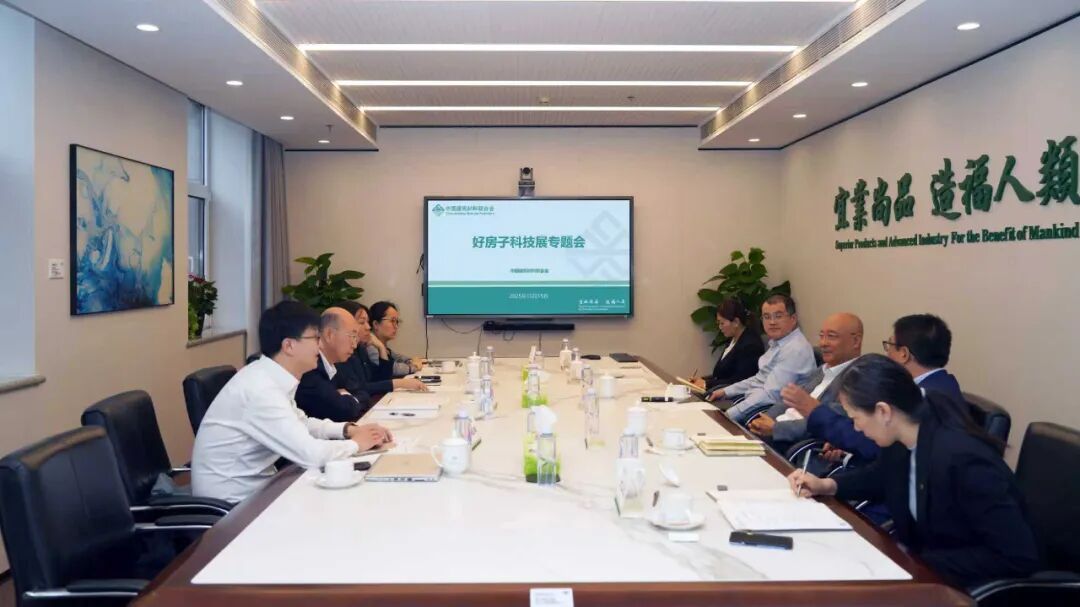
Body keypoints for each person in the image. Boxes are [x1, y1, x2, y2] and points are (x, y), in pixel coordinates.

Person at [788, 354, 1040, 589]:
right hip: (922, 571)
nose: (856, 427)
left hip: (961, 587)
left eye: (855, 418)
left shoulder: (963, 459)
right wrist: (828, 485)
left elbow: (1016, 555)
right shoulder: (905, 437)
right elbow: (881, 476)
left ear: (883, 411)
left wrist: (914, 564)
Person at [192, 301, 393, 503]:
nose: (320, 345)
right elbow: (310, 455)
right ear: (288, 345)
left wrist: (348, 430)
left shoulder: (271, 377)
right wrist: (357, 444)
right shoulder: (261, 390)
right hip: (235, 506)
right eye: (315, 338)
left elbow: (301, 423)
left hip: (261, 489)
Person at [795, 314, 963, 465]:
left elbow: (877, 447)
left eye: (889, 345)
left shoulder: (929, 398)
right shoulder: (932, 385)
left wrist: (815, 412)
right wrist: (845, 451)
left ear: (904, 354)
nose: (887, 354)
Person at [748, 312, 863, 452]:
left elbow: (829, 423)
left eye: (831, 336)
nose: (823, 343)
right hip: (769, 433)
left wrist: (776, 428)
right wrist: (765, 419)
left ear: (856, 341)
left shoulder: (857, 379)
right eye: (821, 336)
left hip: (790, 446)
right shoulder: (822, 369)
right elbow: (788, 401)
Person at [708, 294, 817, 425]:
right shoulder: (778, 343)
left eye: (778, 316)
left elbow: (771, 394)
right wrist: (725, 391)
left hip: (775, 414)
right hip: (756, 402)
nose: (772, 322)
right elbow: (758, 379)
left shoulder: (795, 349)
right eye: (766, 317)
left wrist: (729, 415)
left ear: (793, 319)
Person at [295, 307, 372, 423]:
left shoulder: (334, 364)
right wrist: (349, 399)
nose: (354, 345)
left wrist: (348, 398)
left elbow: (362, 392)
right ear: (329, 334)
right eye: (352, 336)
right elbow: (341, 409)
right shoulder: (311, 368)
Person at [336, 301, 427, 395]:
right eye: (362, 322)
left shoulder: (360, 349)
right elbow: (357, 389)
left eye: (367, 322)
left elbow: (380, 378)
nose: (368, 327)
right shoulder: (343, 354)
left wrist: (381, 349)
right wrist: (400, 383)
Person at [690, 298, 764, 393]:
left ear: (736, 322)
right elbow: (721, 375)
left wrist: (706, 384)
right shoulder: (732, 340)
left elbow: (740, 381)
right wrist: (702, 380)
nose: (720, 327)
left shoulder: (751, 345)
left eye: (722, 323)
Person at [367, 301, 424, 379]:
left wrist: (411, 360)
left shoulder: (383, 346)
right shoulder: (370, 346)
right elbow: (393, 369)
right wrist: (415, 367)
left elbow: (399, 358)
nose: (396, 326)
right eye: (392, 321)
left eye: (397, 322)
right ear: (376, 324)